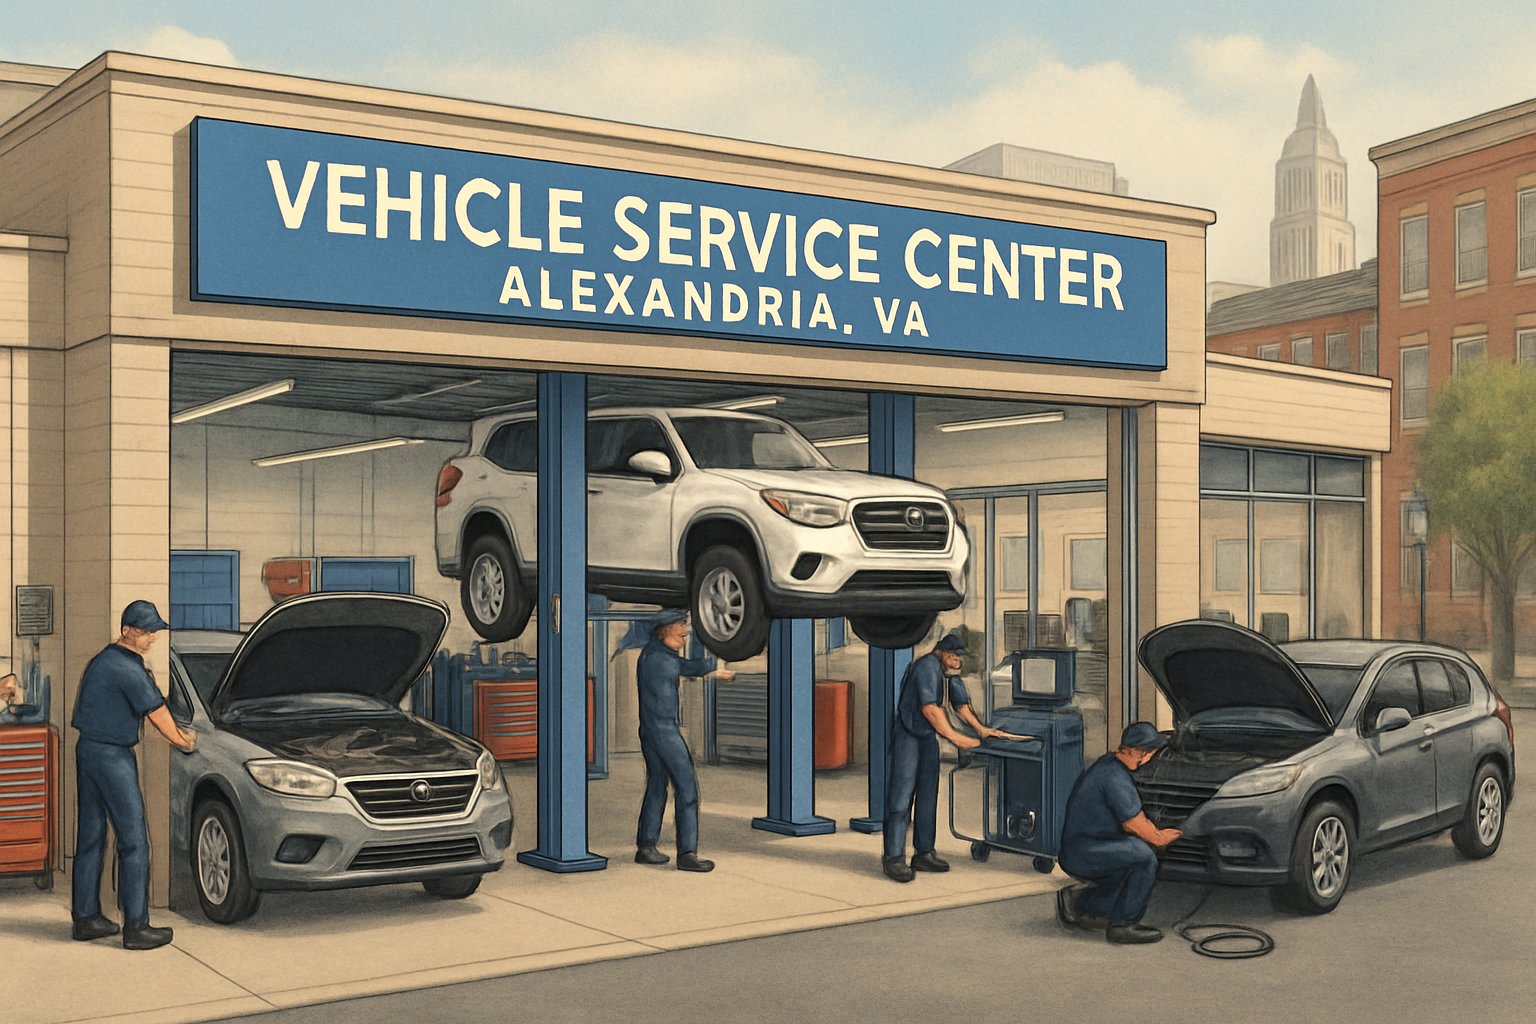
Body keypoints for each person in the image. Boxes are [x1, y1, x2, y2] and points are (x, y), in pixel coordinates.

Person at [70, 601, 197, 951]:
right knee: (134, 840)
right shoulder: (126, 668)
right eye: (145, 631)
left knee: (91, 837)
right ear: (127, 630)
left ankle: (86, 919)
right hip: (112, 756)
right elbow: (156, 712)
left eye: (154, 631)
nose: (152, 638)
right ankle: (137, 927)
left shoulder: (103, 661)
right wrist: (183, 741)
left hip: (88, 750)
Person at [881, 631, 1025, 883]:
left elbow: (962, 706)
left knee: (928, 797)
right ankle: (893, 857)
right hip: (908, 737)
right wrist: (957, 739)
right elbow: (931, 710)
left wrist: (982, 730)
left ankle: (924, 853)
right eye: (958, 657)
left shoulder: (950, 674)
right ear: (946, 654)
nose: (961, 662)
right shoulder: (926, 667)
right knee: (901, 799)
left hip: (926, 739)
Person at [1055, 721, 1182, 944]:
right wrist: (1165, 837)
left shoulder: (1108, 764)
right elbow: (1135, 823)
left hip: (1083, 846)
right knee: (1144, 858)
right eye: (1151, 752)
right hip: (1085, 851)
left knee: (1132, 871)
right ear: (1140, 753)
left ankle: (1080, 902)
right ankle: (1123, 925)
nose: (1151, 758)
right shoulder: (1114, 777)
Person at [634, 609, 734, 872]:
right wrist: (714, 667)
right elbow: (684, 667)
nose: (684, 630)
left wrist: (711, 670)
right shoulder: (662, 660)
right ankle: (687, 853)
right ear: (663, 630)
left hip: (650, 730)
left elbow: (683, 667)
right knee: (687, 789)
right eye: (679, 626)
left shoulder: (652, 654)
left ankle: (646, 846)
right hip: (664, 731)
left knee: (657, 785)